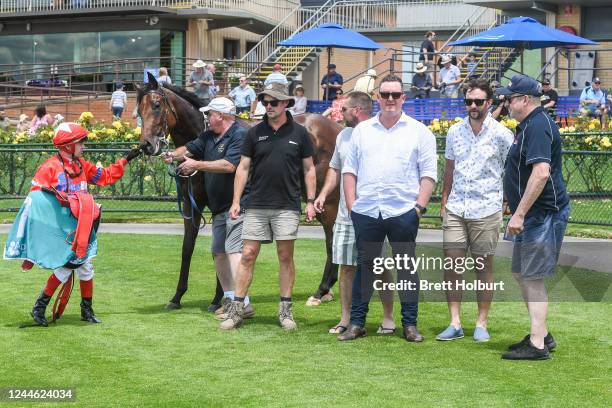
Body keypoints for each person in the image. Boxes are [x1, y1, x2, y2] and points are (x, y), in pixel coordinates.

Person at [338, 75, 437, 343]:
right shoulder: (363, 130)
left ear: (403, 98)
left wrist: (418, 207)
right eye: (385, 95)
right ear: (378, 97)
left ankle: (410, 324)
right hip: (367, 210)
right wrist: (352, 205)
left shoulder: (419, 131)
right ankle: (357, 323)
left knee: (406, 268)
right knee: (365, 267)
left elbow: (429, 175)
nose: (390, 99)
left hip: (404, 210)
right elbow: (349, 171)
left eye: (395, 95)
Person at [220, 83, 317, 331]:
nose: (269, 106)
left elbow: (309, 169)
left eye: (274, 102)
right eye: (265, 102)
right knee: (248, 255)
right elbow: (242, 168)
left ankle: (286, 312)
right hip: (256, 204)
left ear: (285, 103)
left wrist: (310, 201)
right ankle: (237, 310)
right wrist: (235, 201)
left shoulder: (299, 133)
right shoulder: (254, 132)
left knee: (285, 257)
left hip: (287, 205)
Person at [26, 122, 142, 326]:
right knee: (69, 267)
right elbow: (36, 199)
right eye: (81, 143)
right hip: (62, 230)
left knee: (84, 267)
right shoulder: (49, 168)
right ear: (68, 145)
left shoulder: (82, 165)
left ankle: (79, 310)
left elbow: (105, 176)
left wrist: (127, 158)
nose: (84, 147)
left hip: (82, 227)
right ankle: (43, 307)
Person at [496, 74, 570, 360]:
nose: (506, 102)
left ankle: (538, 344)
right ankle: (542, 333)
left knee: (532, 276)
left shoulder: (537, 125)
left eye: (509, 98)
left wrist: (520, 213)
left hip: (541, 214)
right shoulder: (529, 124)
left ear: (524, 100)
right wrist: (512, 202)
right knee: (521, 273)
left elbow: (541, 173)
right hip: (532, 213)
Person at [161, 97, 254, 320]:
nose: (207, 118)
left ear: (220, 116)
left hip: (236, 205)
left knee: (233, 253)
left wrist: (196, 164)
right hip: (219, 207)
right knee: (219, 253)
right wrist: (173, 155)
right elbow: (190, 148)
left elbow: (229, 165)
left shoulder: (239, 136)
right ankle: (231, 299)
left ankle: (244, 304)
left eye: (209, 114)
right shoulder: (209, 136)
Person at [314, 91, 396, 335]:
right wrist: (323, 194)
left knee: (379, 265)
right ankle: (346, 318)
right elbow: (334, 169)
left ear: (358, 110)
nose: (341, 114)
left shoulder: (380, 133)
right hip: (345, 214)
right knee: (346, 267)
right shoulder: (344, 136)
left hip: (374, 213)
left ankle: (389, 317)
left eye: (345, 109)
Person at [438, 79, 514, 343]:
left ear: (489, 103)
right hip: (457, 207)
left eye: (478, 102)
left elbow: (511, 170)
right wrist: (444, 200)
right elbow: (449, 167)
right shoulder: (454, 132)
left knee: (483, 267)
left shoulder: (503, 135)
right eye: (469, 101)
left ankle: (482, 323)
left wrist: (507, 201)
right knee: (452, 266)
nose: (472, 106)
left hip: (487, 208)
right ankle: (455, 322)